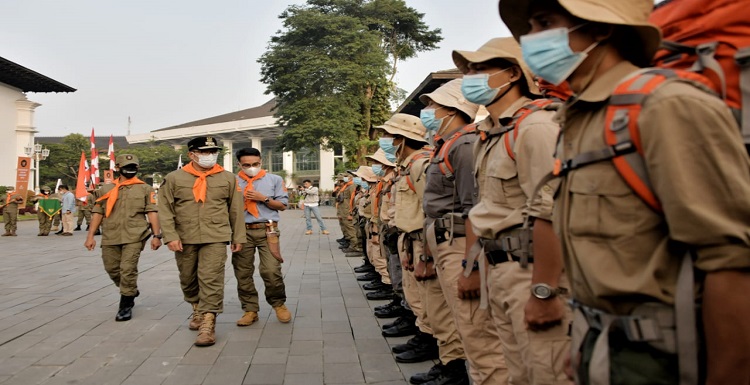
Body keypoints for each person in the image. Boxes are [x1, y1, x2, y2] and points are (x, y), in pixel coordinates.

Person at [498, 0, 750, 384]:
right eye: (530, 25)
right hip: (604, 346)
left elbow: (730, 261)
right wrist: (586, 341)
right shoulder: (582, 117)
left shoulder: (664, 105)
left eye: (546, 22)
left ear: (601, 29)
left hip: (664, 359)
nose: (530, 38)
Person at [451, 37, 572, 385]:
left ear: (512, 73)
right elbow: (481, 210)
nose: (470, 76)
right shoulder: (490, 134)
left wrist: (544, 291)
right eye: (468, 69)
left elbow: (554, 212)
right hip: (500, 271)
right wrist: (472, 267)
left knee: (546, 370)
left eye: (479, 68)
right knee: (518, 373)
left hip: (532, 270)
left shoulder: (535, 128)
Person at [418, 78, 510, 385]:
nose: (428, 111)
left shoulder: (466, 145)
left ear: (452, 109)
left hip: (461, 245)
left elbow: (474, 209)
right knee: (463, 325)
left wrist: (471, 266)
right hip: (446, 242)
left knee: (478, 334)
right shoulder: (449, 144)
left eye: (433, 106)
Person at [379, 113, 470, 382]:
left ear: (401, 139)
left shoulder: (420, 165)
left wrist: (426, 253)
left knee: (439, 309)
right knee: (425, 303)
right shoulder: (409, 166)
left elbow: (429, 210)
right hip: (415, 240)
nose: (386, 142)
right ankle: (436, 348)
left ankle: (453, 366)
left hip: (426, 241)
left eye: (389, 137)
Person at [158, 136, 245, 347]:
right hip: (184, 237)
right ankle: (196, 307)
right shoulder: (174, 178)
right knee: (188, 278)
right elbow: (165, 209)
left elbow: (236, 209)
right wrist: (170, 236)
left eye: (213, 151)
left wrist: (238, 236)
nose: (209, 156)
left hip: (216, 236)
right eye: (204, 152)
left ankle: (208, 322)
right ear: (192, 154)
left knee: (211, 278)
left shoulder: (227, 178)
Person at [84, 154, 162, 321]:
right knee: (112, 269)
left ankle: (125, 304)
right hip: (110, 234)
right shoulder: (105, 189)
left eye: (133, 166)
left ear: (137, 168)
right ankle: (131, 289)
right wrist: (90, 236)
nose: (130, 169)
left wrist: (157, 235)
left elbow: (152, 212)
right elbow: (97, 213)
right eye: (126, 166)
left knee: (128, 269)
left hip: (135, 235)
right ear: (117, 167)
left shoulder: (145, 189)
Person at [232, 147, 292, 327]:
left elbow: (282, 205)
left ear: (261, 162)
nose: (251, 167)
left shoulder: (274, 179)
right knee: (243, 272)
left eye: (255, 164)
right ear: (239, 165)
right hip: (242, 231)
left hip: (267, 230)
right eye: (247, 165)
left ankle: (278, 303)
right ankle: (250, 309)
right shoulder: (232, 181)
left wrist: (262, 198)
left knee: (271, 270)